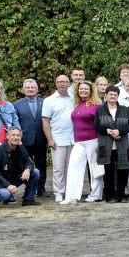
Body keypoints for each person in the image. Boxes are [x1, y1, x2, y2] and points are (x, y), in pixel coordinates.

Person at [61, 81, 104, 205]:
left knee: (94, 168)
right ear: (77, 90)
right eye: (81, 89)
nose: (83, 91)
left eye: (86, 89)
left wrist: (100, 142)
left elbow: (101, 124)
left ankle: (96, 194)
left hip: (93, 140)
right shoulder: (77, 104)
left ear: (91, 91)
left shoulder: (97, 106)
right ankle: (71, 196)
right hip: (79, 141)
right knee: (73, 166)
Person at [0, 127, 41, 208]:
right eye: (13, 135)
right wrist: (8, 185)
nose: (15, 137)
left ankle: (28, 199)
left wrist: (27, 169)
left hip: (11, 179)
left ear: (21, 137)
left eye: (18, 135)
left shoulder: (21, 148)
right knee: (5, 194)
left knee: (35, 172)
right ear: (7, 136)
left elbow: (29, 162)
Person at [94, 85, 129, 204]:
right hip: (106, 145)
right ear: (106, 95)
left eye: (115, 94)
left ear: (118, 96)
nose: (112, 96)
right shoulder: (100, 110)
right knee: (109, 171)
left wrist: (119, 132)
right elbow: (96, 126)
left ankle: (121, 195)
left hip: (121, 144)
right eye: (110, 94)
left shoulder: (125, 110)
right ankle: (110, 195)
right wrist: (107, 131)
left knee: (123, 170)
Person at [41, 74, 75, 202]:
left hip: (73, 138)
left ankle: (70, 192)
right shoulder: (49, 100)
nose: (62, 84)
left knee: (71, 168)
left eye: (65, 82)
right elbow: (45, 121)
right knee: (58, 168)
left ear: (69, 84)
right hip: (57, 138)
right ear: (56, 84)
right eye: (59, 82)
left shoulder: (74, 98)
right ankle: (59, 192)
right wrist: (49, 139)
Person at [13, 78, 47, 197]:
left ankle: (41, 188)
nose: (30, 89)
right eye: (28, 87)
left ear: (37, 89)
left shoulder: (45, 102)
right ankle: (29, 189)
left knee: (41, 165)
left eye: (33, 87)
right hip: (24, 140)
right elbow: (15, 122)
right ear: (23, 89)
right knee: (25, 165)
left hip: (41, 138)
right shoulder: (17, 105)